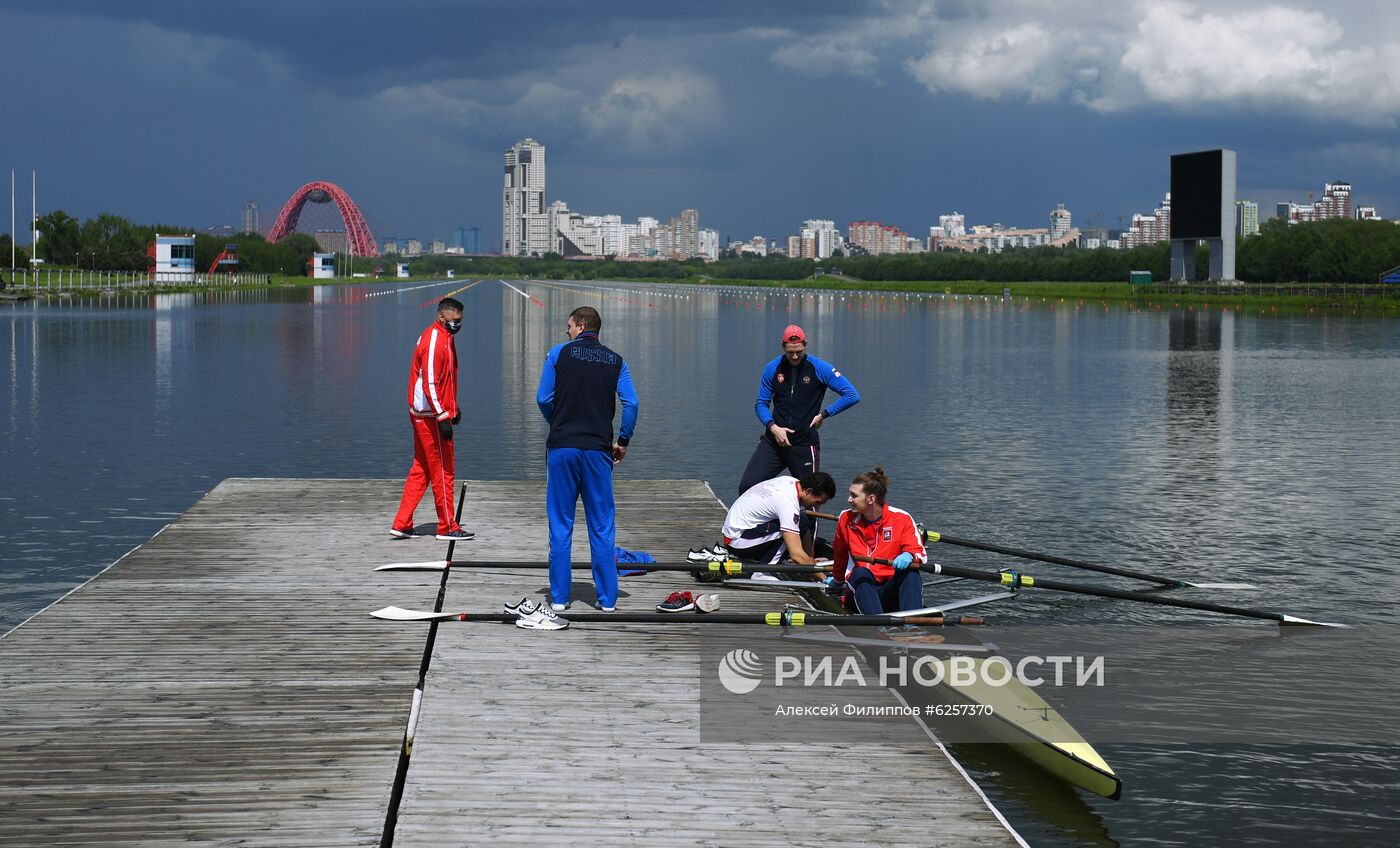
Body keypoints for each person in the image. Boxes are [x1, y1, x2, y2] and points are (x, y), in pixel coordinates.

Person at [536, 306, 639, 612]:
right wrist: (623, 441)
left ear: (580, 326)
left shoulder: (558, 354)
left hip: (563, 448)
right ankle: (607, 599)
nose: (566, 331)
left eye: (569, 325)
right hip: (598, 451)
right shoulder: (616, 360)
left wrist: (558, 421)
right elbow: (631, 403)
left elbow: (543, 398)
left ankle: (558, 598)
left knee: (561, 524)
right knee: (602, 525)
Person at [738, 324, 859, 494]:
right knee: (747, 487)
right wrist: (773, 427)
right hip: (774, 443)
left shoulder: (819, 368)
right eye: (790, 352)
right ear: (782, 346)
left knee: (811, 497)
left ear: (805, 344)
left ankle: (805, 521)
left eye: (799, 351)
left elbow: (852, 395)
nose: (794, 356)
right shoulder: (772, 368)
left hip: (804, 445)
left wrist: (824, 414)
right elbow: (761, 404)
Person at [391, 297, 475, 542]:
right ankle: (447, 526)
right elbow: (429, 382)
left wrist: (454, 408)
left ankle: (402, 523)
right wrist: (441, 416)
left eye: (460, 321)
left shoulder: (446, 337)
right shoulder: (435, 340)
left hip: (430, 412)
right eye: (455, 320)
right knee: (443, 469)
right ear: (442, 317)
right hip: (429, 416)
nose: (458, 325)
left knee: (422, 468)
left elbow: (446, 378)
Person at [829, 467, 926, 614]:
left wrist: (910, 555)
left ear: (871, 499)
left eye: (853, 496)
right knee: (861, 572)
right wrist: (837, 582)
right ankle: (878, 629)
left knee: (911, 573)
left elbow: (918, 552)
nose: (849, 499)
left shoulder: (902, 518)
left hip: (889, 590)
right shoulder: (846, 519)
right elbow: (840, 555)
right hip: (860, 589)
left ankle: (913, 627)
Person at [708, 472, 836, 568]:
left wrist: (810, 559)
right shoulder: (788, 503)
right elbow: (796, 555)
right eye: (818, 502)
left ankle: (793, 559)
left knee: (801, 521)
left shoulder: (791, 482)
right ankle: (765, 570)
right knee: (787, 531)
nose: (817, 507)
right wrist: (822, 578)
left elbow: (803, 528)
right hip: (736, 542)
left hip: (741, 532)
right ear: (809, 491)